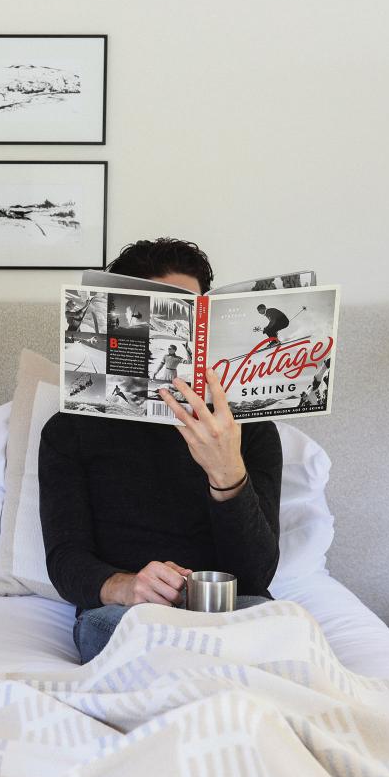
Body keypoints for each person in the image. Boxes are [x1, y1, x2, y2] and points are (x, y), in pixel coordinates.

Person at [39, 238, 283, 664]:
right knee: (116, 634)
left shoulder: (248, 430)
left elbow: (256, 576)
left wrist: (227, 476)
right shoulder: (70, 430)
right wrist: (126, 586)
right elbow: (66, 558)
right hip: (126, 615)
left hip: (231, 612)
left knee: (287, 628)